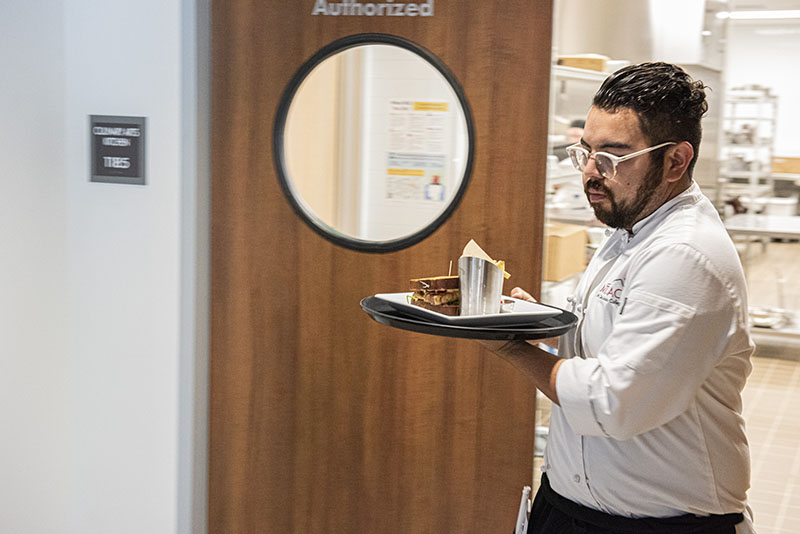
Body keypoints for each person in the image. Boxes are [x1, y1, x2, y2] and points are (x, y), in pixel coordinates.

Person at [483, 62, 756, 533]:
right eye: (585, 152)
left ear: (676, 161)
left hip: (662, 523)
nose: (590, 171)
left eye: (612, 156)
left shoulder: (685, 254)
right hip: (570, 505)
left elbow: (612, 403)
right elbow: (599, 342)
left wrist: (510, 347)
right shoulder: (629, 226)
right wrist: (535, 320)